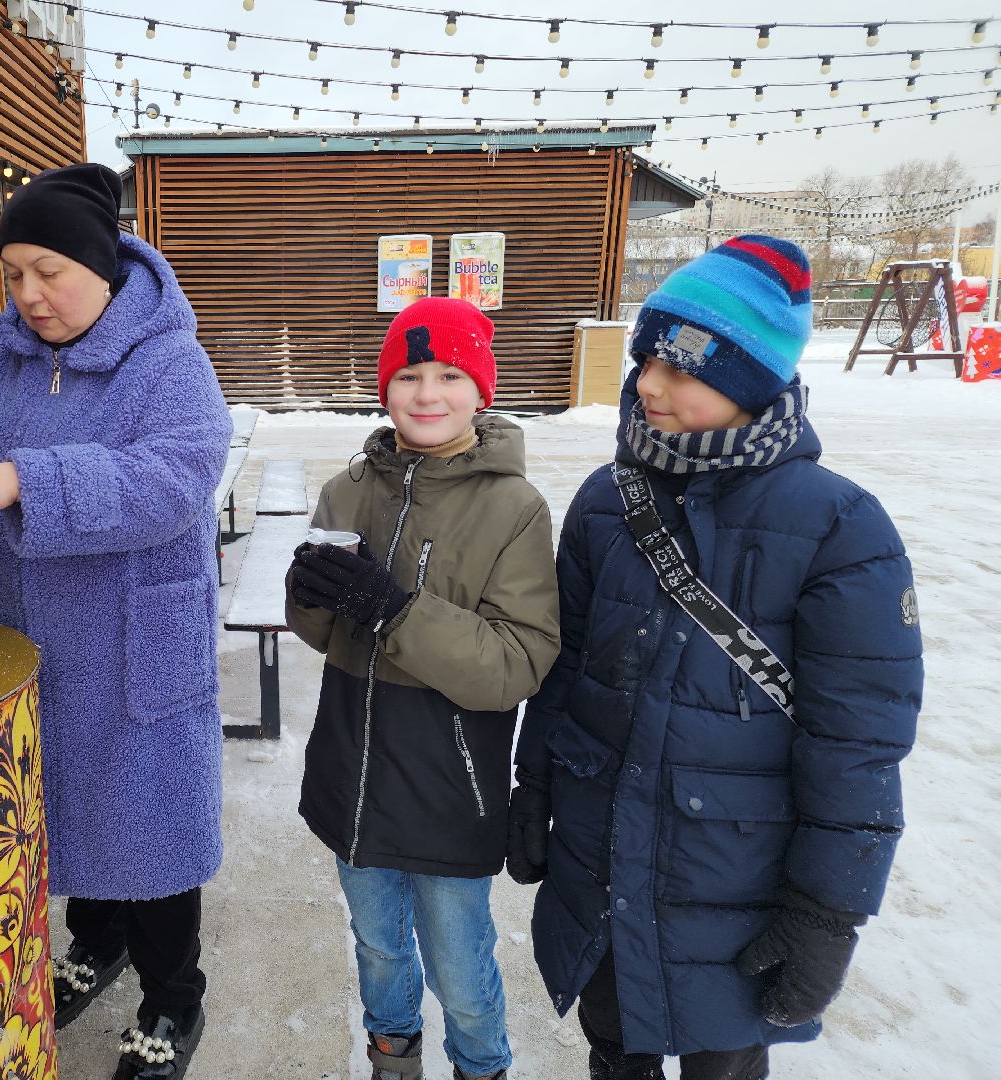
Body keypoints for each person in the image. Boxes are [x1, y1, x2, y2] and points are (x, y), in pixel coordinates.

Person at [509, 236, 923, 1080]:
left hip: (736, 880)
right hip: (604, 856)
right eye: (647, 360)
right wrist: (537, 787)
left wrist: (825, 911)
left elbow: (858, 743)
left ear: (750, 381)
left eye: (685, 369)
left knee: (723, 1062)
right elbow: (566, 667)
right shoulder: (607, 499)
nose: (649, 386)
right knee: (614, 1042)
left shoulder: (842, 528)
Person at [0, 163, 228, 1080]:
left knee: (147, 836)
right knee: (58, 818)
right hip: (23, 646)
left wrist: (23, 478)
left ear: (102, 265)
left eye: (50, 271)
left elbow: (175, 481)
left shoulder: (167, 360)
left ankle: (171, 997)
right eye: (14, 274)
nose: (29, 295)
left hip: (131, 650)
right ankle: (95, 940)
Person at [286, 297, 561, 1080]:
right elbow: (319, 633)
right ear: (385, 388)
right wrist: (309, 595)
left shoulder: (514, 506)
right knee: (376, 946)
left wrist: (396, 608)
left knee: (462, 972)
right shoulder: (349, 490)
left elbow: (520, 661)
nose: (427, 393)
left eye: (449, 374)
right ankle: (392, 1058)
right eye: (407, 374)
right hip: (353, 775)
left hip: (451, 788)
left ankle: (481, 1066)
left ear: (481, 390)